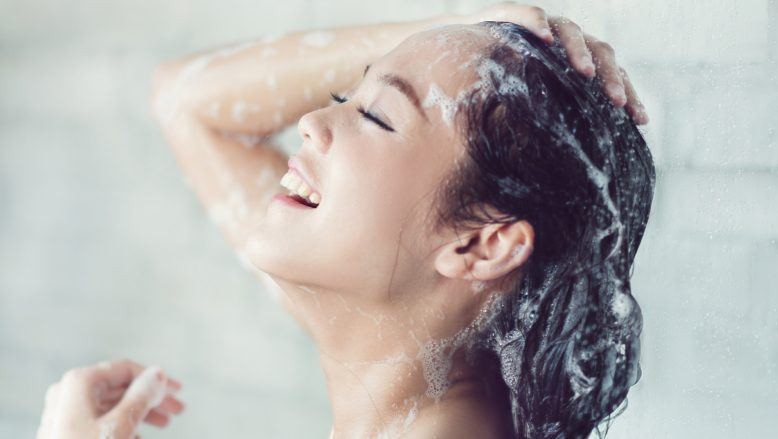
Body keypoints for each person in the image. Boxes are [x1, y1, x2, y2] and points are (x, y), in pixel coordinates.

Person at [37, 3, 654, 438]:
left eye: (378, 118)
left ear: (481, 245)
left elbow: (188, 103)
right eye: (344, 98)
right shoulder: (396, 353)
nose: (311, 122)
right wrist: (455, 29)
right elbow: (185, 103)